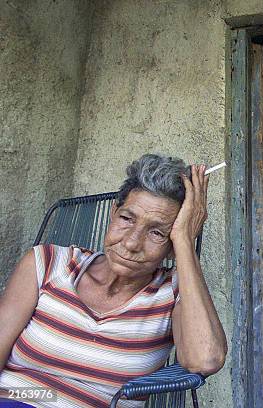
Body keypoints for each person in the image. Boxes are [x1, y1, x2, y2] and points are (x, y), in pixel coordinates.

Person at [0, 154, 227, 407]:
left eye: (157, 232)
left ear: (172, 245)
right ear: (113, 213)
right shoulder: (47, 263)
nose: (131, 243)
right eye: (127, 219)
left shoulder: (173, 293)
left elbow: (206, 359)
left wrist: (185, 240)